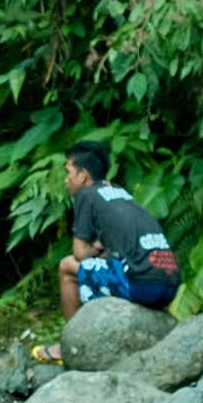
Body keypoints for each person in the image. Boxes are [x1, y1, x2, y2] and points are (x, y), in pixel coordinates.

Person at [34, 141, 178, 362]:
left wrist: (94, 248)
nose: (66, 179)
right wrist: (100, 249)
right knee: (102, 265)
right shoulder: (118, 192)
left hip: (144, 286)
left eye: (68, 172)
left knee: (67, 267)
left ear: (83, 176)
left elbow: (79, 253)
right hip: (169, 283)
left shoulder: (87, 195)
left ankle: (69, 346)